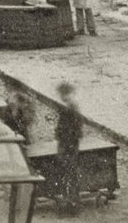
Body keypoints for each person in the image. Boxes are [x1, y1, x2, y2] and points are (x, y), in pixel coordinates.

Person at [55, 82, 84, 214]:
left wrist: (61, 137)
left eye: (61, 94)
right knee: (70, 173)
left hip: (68, 145)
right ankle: (71, 201)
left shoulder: (70, 108)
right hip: (70, 144)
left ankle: (72, 204)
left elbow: (72, 129)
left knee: (70, 173)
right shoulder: (72, 106)